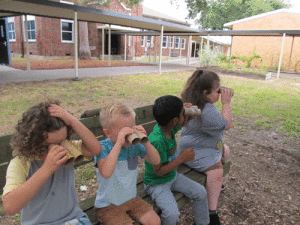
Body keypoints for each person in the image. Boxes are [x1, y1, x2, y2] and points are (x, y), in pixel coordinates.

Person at [2, 100, 102, 225]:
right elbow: (10, 207)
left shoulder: (68, 149)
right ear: (32, 142)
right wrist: (46, 169)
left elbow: (95, 149)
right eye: (48, 146)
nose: (58, 148)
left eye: (62, 141)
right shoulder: (21, 163)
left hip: (73, 219)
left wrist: (72, 121)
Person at [177, 70, 233, 225]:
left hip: (195, 146)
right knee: (216, 171)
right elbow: (226, 125)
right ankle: (211, 214)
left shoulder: (197, 105)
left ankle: (215, 187)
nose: (220, 94)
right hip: (194, 152)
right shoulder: (207, 111)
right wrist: (226, 103)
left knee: (225, 150)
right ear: (206, 93)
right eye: (217, 91)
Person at [143, 95, 210, 225]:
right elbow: (158, 172)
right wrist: (181, 158)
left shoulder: (168, 126)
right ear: (174, 120)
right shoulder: (157, 141)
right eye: (182, 114)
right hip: (156, 183)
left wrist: (186, 110)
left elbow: (184, 120)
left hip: (172, 176)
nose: (184, 115)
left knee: (201, 192)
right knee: (172, 214)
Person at [94, 103, 161, 225]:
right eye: (123, 130)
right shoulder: (102, 148)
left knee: (155, 221)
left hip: (131, 199)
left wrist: (145, 141)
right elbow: (106, 173)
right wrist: (119, 143)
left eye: (131, 126)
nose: (129, 132)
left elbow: (156, 161)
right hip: (108, 205)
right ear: (107, 133)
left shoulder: (134, 145)